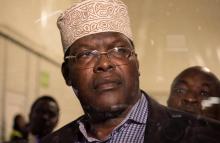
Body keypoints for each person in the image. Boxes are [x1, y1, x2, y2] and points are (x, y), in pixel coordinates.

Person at [42, 0, 220, 142]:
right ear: (67, 74)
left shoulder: (209, 136)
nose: (104, 63)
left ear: (137, 63)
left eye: (119, 50)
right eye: (86, 54)